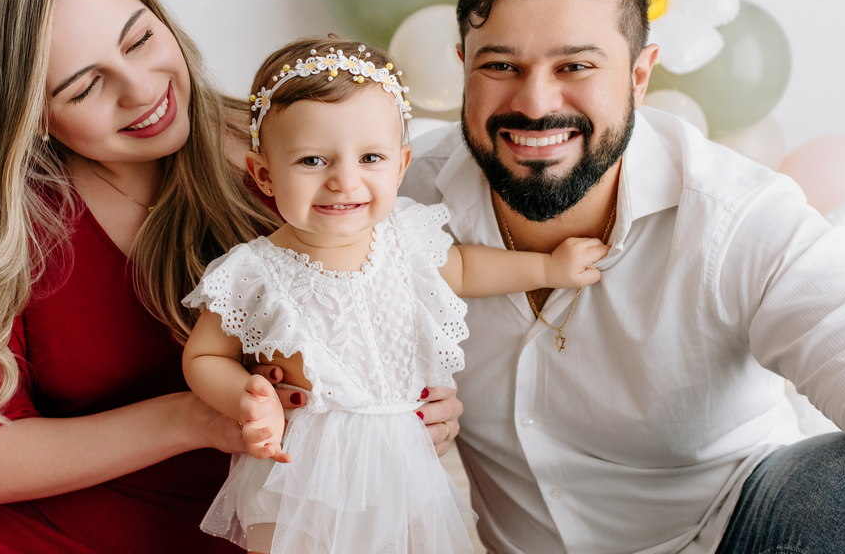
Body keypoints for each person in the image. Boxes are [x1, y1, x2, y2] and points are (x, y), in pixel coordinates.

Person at [0, 0, 465, 553]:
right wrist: (192, 418)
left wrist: (419, 413)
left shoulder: (303, 159)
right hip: (47, 523)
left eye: (141, 39)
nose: (143, 89)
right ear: (29, 116)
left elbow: (396, 307)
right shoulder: (8, 220)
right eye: (86, 85)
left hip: (264, 519)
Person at [400, 0, 845, 553]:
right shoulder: (392, 206)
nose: (534, 103)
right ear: (464, 68)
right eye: (501, 65)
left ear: (639, 75)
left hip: (738, 532)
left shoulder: (737, 217)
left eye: (575, 65)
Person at [179, 37, 609, 554]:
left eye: (370, 157)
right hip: (302, 470)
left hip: (403, 463)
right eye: (313, 160)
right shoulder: (253, 272)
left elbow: (466, 267)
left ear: (401, 166)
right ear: (264, 174)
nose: (344, 181)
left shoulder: (405, 237)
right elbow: (204, 356)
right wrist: (250, 399)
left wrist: (546, 267)